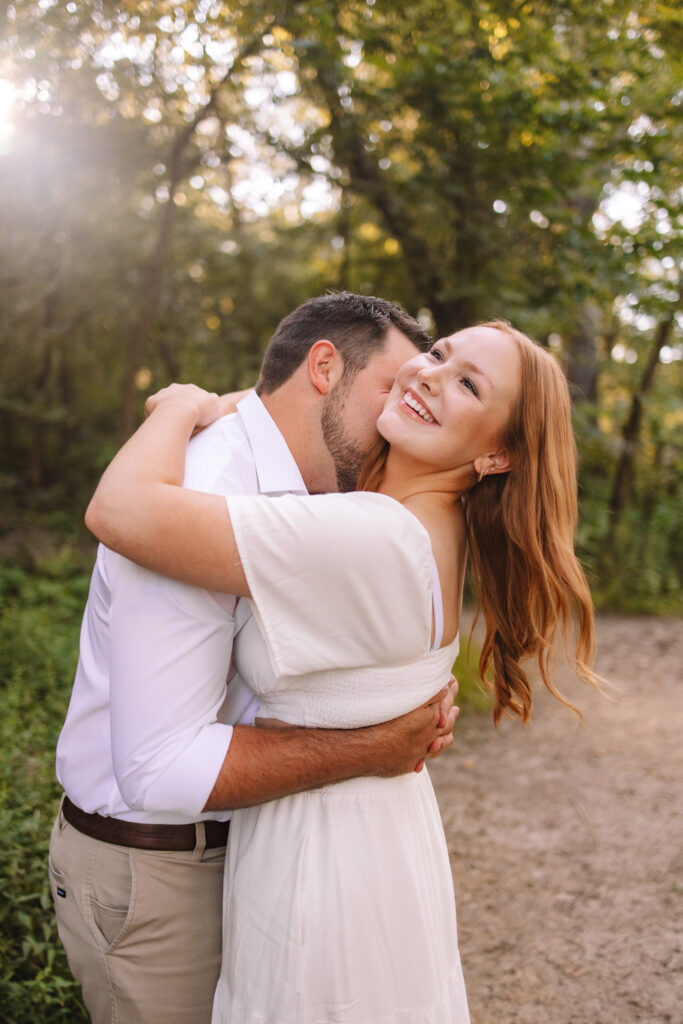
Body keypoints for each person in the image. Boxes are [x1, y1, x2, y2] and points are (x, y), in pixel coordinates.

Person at [85, 320, 600, 1023]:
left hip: (320, 866)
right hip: (376, 842)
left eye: (468, 385)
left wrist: (177, 404)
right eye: (438, 355)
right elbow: (293, 410)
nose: (429, 376)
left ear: (496, 455)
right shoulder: (420, 527)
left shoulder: (368, 534)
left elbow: (120, 510)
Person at [49, 293, 459, 1024]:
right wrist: (373, 745)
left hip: (244, 852)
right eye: (390, 390)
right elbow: (159, 766)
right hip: (157, 874)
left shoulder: (319, 497)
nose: (401, 417)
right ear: (324, 369)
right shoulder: (202, 489)